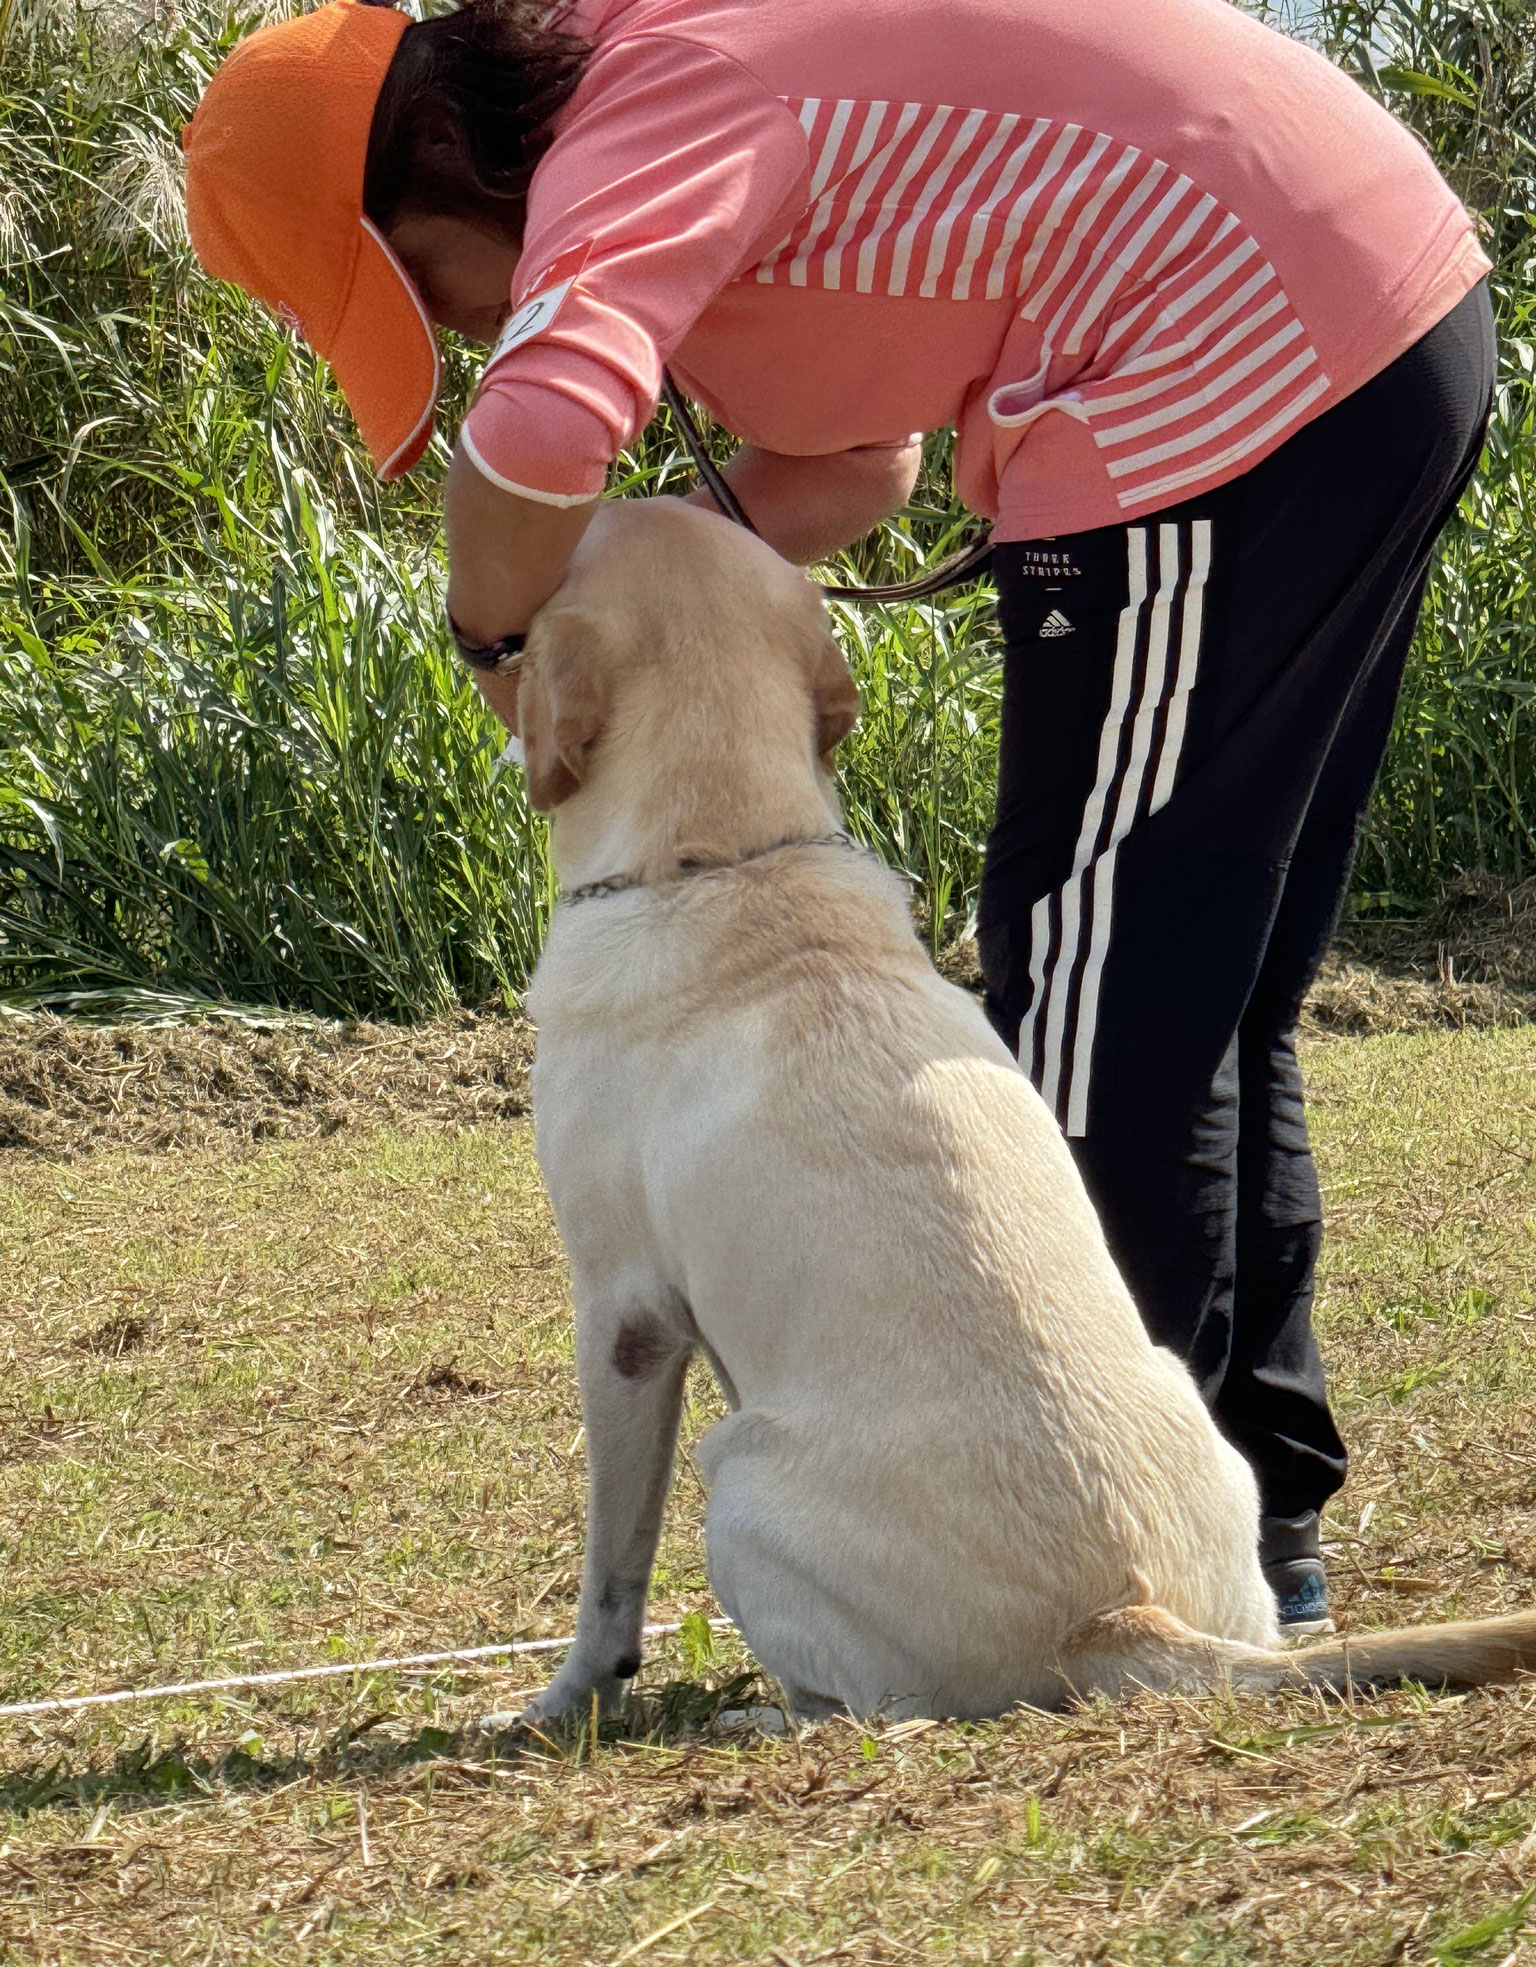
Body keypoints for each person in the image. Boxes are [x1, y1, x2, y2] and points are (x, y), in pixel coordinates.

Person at [184, 0, 1496, 1633]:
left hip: (1217, 354)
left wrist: (499, 648)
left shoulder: (638, 116)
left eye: (427, 287)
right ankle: (1255, 1519)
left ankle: (1093, 1555)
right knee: (1200, 976)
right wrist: (642, 566)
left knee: (1088, 972)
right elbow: (857, 464)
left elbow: (531, 434)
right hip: (1362, 319)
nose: (457, 329)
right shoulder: (697, 78)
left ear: (442, 158)